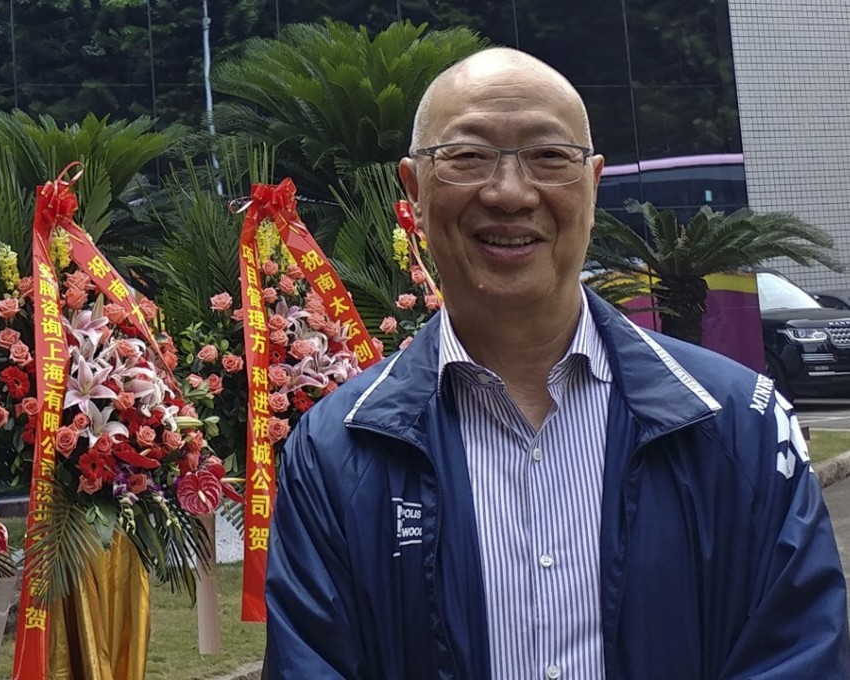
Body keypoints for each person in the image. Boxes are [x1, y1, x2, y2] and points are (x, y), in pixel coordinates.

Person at [263, 47, 850, 679]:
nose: (511, 193)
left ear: (593, 186)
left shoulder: (741, 426)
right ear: (413, 191)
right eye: (466, 155)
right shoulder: (333, 454)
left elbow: (800, 656)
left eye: (549, 157)